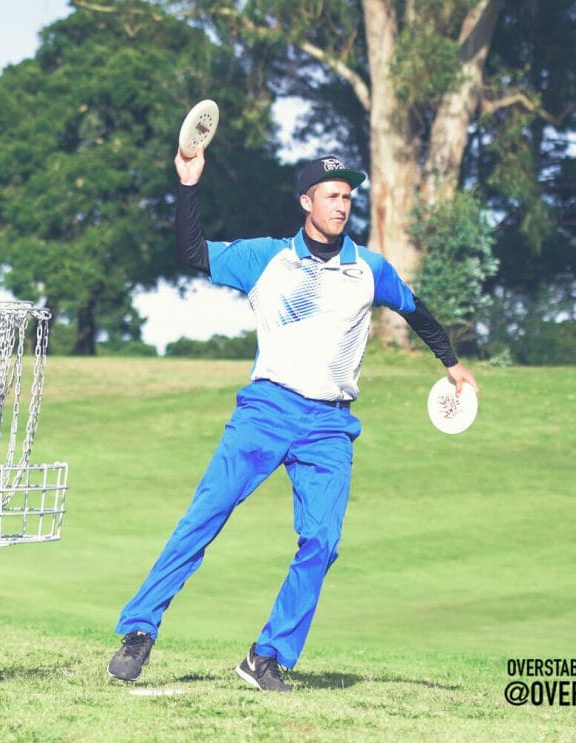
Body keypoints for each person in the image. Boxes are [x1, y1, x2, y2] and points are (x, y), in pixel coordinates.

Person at [106, 146, 479, 692]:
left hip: (330, 425)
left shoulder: (368, 268)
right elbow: (191, 252)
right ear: (307, 201)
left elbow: (414, 310)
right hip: (268, 410)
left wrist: (452, 363)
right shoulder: (268, 259)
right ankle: (139, 630)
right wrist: (188, 185)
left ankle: (267, 656)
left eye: (348, 196)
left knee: (323, 542)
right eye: (331, 195)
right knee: (204, 517)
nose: (342, 204)